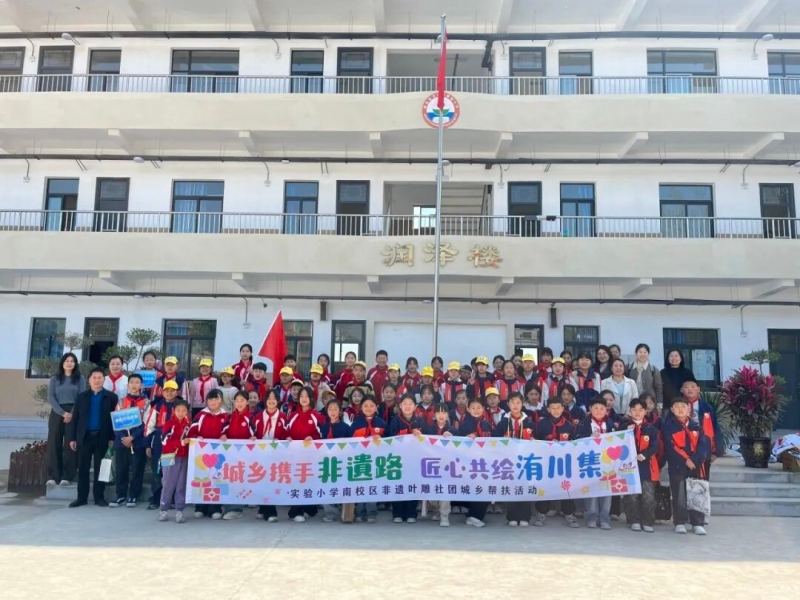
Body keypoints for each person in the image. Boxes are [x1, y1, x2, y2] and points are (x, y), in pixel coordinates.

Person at [67, 367, 118, 508]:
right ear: (89, 380)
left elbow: (114, 419)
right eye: (94, 378)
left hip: (102, 437)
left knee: (100, 469)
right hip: (84, 437)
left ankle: (99, 497)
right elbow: (75, 418)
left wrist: (112, 437)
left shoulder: (111, 397)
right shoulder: (81, 397)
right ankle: (81, 498)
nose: (97, 380)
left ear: (104, 380)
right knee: (83, 468)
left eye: (99, 378)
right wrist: (72, 438)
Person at [663, 396, 710, 535]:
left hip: (695, 466)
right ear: (672, 409)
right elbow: (670, 446)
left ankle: (697, 523)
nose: (680, 409)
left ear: (689, 409)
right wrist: (686, 460)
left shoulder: (696, 426)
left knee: (697, 493)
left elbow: (703, 446)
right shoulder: (668, 426)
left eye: (683, 406)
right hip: (677, 465)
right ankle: (680, 522)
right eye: (677, 407)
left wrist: (694, 460)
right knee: (679, 495)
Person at [533, 396, 579, 528]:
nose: (556, 410)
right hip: (546, 462)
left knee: (566, 487)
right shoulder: (542, 424)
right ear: (548, 409)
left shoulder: (569, 425)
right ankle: (541, 513)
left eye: (558, 407)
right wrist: (547, 443)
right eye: (552, 408)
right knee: (545, 487)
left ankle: (569, 514)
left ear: (563, 408)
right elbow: (535, 441)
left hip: (563, 463)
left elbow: (575, 443)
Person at [494, 392, 535, 527]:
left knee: (525, 487)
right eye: (512, 402)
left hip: (525, 460)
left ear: (522, 404)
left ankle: (525, 517)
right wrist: (502, 440)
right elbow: (494, 438)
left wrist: (534, 440)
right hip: (509, 461)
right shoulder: (503, 422)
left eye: (518, 402)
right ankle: (512, 516)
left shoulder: (529, 422)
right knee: (512, 488)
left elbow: (538, 438)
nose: (515, 405)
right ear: (508, 404)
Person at [619, 397, 660, 533]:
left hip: (647, 466)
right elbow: (617, 445)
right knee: (631, 495)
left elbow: (655, 446)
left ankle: (647, 521)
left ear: (645, 411)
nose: (637, 412)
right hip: (629, 467)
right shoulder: (623, 426)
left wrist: (645, 454)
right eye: (634, 410)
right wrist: (626, 432)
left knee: (648, 496)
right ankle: (633, 520)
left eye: (640, 410)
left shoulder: (651, 428)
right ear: (629, 411)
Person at [576, 397, 617, 530]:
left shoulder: (610, 424)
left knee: (607, 491)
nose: (599, 411)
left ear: (606, 410)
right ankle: (592, 517)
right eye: (595, 408)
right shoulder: (584, 423)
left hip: (607, 462)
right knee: (592, 491)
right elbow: (576, 439)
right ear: (590, 409)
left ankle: (604, 518)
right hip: (590, 462)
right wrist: (589, 437)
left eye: (602, 408)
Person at [187, 389, 229, 520]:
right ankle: (200, 507)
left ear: (221, 400)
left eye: (216, 399)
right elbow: (191, 431)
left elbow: (229, 432)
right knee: (202, 480)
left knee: (217, 480)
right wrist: (196, 437)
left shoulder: (226, 416)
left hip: (219, 457)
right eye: (210, 399)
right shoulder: (201, 415)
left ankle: (215, 508)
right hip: (202, 455)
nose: (213, 402)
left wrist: (225, 436)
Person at [285, 387, 324, 522]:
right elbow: (286, 431)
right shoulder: (293, 415)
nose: (304, 398)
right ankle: (295, 512)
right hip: (295, 456)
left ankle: (309, 508)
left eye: (307, 396)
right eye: (301, 396)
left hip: (311, 456)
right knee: (298, 482)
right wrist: (288, 437)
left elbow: (322, 434)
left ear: (311, 398)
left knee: (310, 482)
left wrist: (313, 438)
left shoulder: (317, 416)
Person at [46, 352, 85, 487]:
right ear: (62, 363)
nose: (69, 363)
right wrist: (63, 413)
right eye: (67, 361)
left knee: (70, 444)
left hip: (74, 412)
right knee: (54, 443)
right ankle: (54, 476)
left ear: (75, 364)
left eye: (72, 361)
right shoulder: (55, 379)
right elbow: (51, 397)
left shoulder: (80, 378)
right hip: (57, 411)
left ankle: (68, 476)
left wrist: (72, 413)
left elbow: (81, 397)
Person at [110, 373, 148, 508]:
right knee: (121, 469)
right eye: (132, 382)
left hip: (138, 441)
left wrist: (132, 437)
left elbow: (146, 423)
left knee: (137, 469)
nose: (134, 385)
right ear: (127, 385)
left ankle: (134, 496)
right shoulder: (121, 402)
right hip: (121, 441)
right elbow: (116, 421)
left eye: (137, 382)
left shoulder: (147, 403)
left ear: (142, 385)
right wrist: (123, 438)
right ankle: (120, 495)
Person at [143, 379, 180, 510]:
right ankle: (156, 499)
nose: (169, 393)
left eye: (172, 390)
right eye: (166, 390)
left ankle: (171, 499)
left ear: (177, 392)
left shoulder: (181, 406)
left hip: (174, 442)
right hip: (159, 442)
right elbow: (149, 426)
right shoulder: (157, 407)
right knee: (157, 471)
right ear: (162, 392)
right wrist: (148, 445)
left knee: (172, 472)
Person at [387, 395, 425, 523]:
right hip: (398, 459)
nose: (407, 406)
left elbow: (428, 439)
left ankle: (411, 513)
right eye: (404, 403)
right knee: (398, 485)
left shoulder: (420, 421)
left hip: (414, 459)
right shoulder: (395, 421)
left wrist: (420, 435)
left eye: (410, 404)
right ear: (400, 406)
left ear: (415, 407)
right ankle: (397, 513)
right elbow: (389, 439)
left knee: (412, 485)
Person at [349, 395, 386, 523]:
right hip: (359, 460)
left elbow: (390, 441)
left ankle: (371, 513)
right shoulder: (356, 423)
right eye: (365, 405)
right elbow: (349, 441)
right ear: (361, 407)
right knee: (359, 486)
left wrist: (381, 440)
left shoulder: (381, 423)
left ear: (376, 407)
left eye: (371, 405)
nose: (368, 408)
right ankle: (359, 512)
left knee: (372, 487)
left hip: (375, 461)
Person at [219, 391, 255, 520]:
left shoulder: (250, 418)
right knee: (228, 480)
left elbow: (255, 433)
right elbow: (223, 430)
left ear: (247, 402)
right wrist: (223, 435)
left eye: (242, 400)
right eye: (237, 401)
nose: (239, 403)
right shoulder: (229, 417)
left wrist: (253, 438)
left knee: (238, 481)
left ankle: (236, 509)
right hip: (230, 455)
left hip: (244, 456)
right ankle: (228, 507)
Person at [458, 397, 494, 527]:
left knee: (485, 488)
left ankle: (475, 515)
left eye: (479, 407)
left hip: (485, 462)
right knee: (477, 488)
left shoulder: (486, 424)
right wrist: (465, 439)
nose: (476, 410)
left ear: (483, 409)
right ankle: (473, 516)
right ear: (468, 409)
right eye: (473, 407)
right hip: (470, 462)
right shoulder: (465, 424)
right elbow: (457, 442)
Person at [254, 390, 287, 523]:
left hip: (276, 454)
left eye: (274, 398)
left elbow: (287, 433)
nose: (271, 401)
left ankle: (270, 512)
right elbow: (253, 432)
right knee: (262, 481)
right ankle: (263, 509)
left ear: (278, 401)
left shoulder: (283, 417)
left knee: (271, 482)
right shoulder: (258, 417)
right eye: (269, 398)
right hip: (261, 453)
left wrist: (283, 439)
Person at [156, 399, 191, 524]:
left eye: (183, 410)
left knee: (181, 484)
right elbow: (164, 442)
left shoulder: (188, 425)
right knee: (168, 483)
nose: (181, 413)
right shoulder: (169, 424)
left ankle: (179, 510)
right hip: (169, 457)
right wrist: (181, 443)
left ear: (187, 412)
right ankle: (163, 509)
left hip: (183, 457)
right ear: (173, 411)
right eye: (178, 410)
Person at [681, 379, 725, 478]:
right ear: (681, 390)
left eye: (693, 387)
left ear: (698, 389)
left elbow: (716, 429)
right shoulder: (677, 408)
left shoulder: (707, 408)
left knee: (702, 481)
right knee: (683, 481)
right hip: (684, 448)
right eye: (686, 387)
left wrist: (716, 452)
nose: (690, 389)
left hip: (703, 447)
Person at [422, 403, 456, 527]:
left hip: (447, 466)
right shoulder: (428, 429)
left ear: (447, 415)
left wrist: (452, 438)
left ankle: (444, 516)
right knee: (431, 493)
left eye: (444, 413)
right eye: (438, 413)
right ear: (434, 415)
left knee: (445, 491)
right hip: (431, 465)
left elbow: (460, 447)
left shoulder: (453, 430)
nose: (441, 415)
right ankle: (436, 510)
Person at [319, 399, 350, 523]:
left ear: (340, 411)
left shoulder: (346, 428)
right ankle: (330, 513)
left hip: (342, 462)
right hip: (327, 463)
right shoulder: (323, 428)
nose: (333, 411)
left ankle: (345, 512)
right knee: (327, 487)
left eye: (335, 409)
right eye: (330, 409)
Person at [626, 343, 663, 408]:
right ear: (636, 353)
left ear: (648, 354)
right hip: (632, 402)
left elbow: (658, 388)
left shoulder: (653, 369)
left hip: (649, 404)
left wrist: (659, 405)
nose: (642, 354)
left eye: (645, 352)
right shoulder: (628, 367)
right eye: (640, 352)